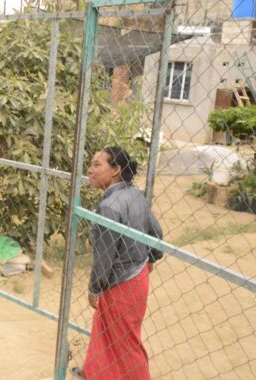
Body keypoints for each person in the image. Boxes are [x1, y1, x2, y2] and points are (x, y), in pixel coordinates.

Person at [75, 147, 163, 380]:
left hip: (120, 284)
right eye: (91, 164)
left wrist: (94, 289)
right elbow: (156, 233)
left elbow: (104, 257)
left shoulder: (109, 207)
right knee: (108, 334)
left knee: (125, 343)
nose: (90, 170)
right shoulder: (135, 195)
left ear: (115, 170)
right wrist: (151, 258)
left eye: (97, 165)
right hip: (137, 278)